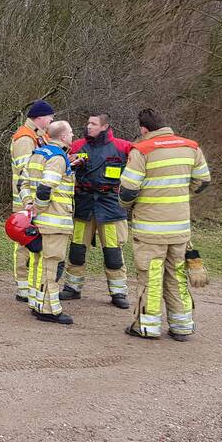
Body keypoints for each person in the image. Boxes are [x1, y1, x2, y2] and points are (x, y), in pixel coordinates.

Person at [119, 109, 211, 341]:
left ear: (143, 129)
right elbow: (203, 182)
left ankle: (147, 326)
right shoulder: (191, 147)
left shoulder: (142, 150)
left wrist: (128, 205)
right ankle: (182, 326)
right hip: (179, 227)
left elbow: (128, 190)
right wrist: (180, 194)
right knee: (177, 274)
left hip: (150, 228)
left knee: (150, 276)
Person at [60, 113, 132, 308]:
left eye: (93, 123)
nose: (88, 126)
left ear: (105, 126)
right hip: (84, 205)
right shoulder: (76, 146)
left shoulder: (123, 147)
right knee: (77, 249)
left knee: (113, 252)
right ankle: (72, 287)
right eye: (88, 123)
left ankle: (118, 292)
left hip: (110, 207)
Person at [19, 120, 76, 324]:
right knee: (51, 265)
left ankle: (36, 303)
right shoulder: (57, 157)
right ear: (62, 137)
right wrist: (38, 207)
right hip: (54, 222)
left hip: (38, 222)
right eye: (70, 132)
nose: (72, 136)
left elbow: (22, 183)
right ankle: (50, 309)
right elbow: (45, 188)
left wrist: (28, 205)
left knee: (37, 263)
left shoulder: (38, 153)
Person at [9, 100, 54, 301]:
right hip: (25, 201)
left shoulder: (39, 135)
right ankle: (23, 287)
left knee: (33, 244)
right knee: (24, 243)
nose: (52, 120)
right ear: (40, 117)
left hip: (34, 199)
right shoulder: (25, 138)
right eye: (50, 116)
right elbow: (26, 171)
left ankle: (30, 285)